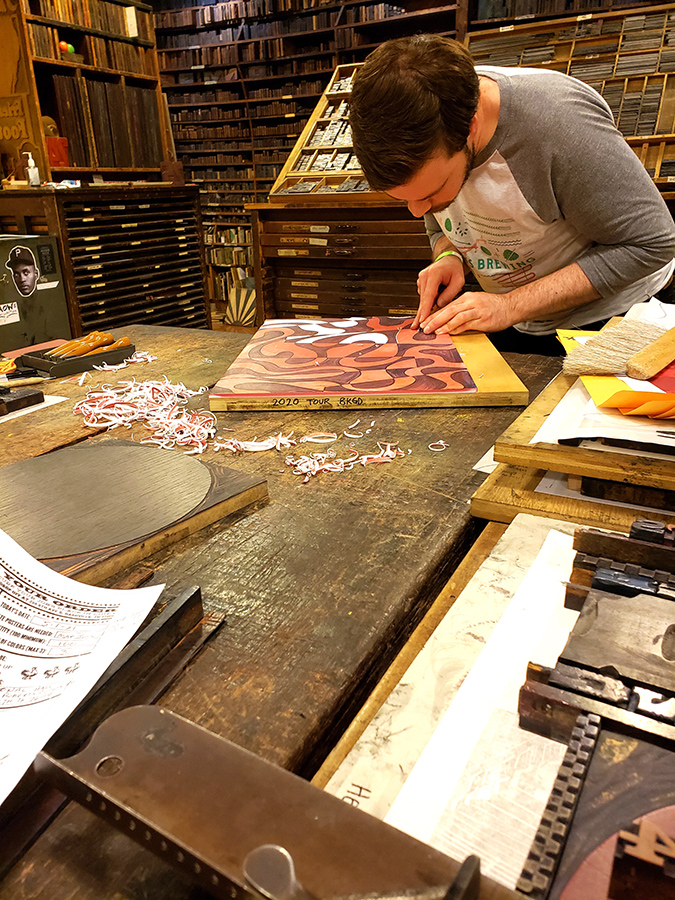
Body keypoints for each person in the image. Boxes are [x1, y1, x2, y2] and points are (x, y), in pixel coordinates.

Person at [349, 35, 675, 354]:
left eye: (432, 192)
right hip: (517, 321)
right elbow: (439, 218)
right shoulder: (425, 128)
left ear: (470, 127)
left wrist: (510, 305)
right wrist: (449, 255)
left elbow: (653, 242)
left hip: (614, 322)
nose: (418, 211)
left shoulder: (559, 125)